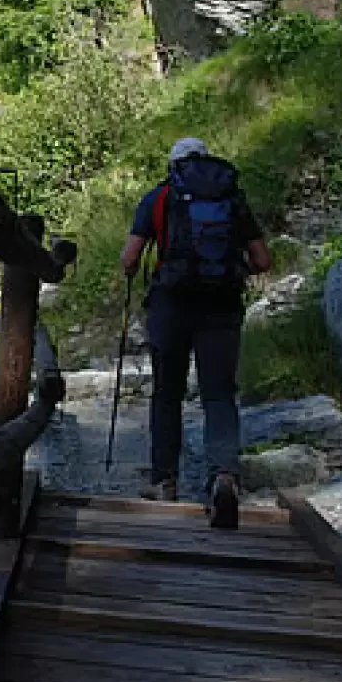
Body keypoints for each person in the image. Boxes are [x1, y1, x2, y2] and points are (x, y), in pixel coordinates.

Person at [119, 138, 271, 529]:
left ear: (173, 165)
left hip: (171, 306)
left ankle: (164, 481)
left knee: (167, 393)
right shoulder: (232, 197)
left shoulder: (158, 198)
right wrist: (232, 271)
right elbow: (262, 259)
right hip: (222, 307)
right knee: (218, 395)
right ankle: (224, 476)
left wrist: (139, 269)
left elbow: (130, 258)